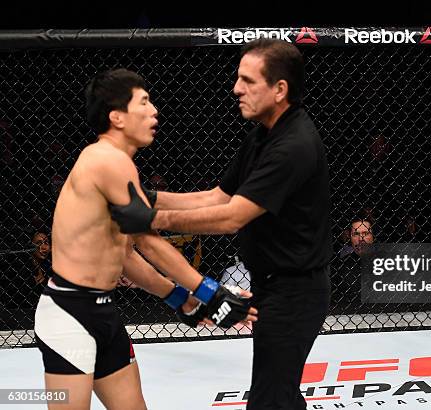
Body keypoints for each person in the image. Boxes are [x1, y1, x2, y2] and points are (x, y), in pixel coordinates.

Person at [110, 39, 333, 410]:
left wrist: (151, 218)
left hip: (295, 293)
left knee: (269, 400)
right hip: (273, 286)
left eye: (248, 81)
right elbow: (217, 197)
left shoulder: (293, 144)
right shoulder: (264, 133)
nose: (236, 89)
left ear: (280, 90)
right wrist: (147, 198)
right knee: (280, 394)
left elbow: (232, 217)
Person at [34, 68, 256, 410]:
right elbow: (149, 240)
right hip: (69, 312)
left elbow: (127, 256)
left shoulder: (118, 167)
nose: (154, 111)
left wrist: (180, 297)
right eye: (145, 102)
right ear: (117, 117)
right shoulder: (107, 160)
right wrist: (209, 292)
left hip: (102, 311)